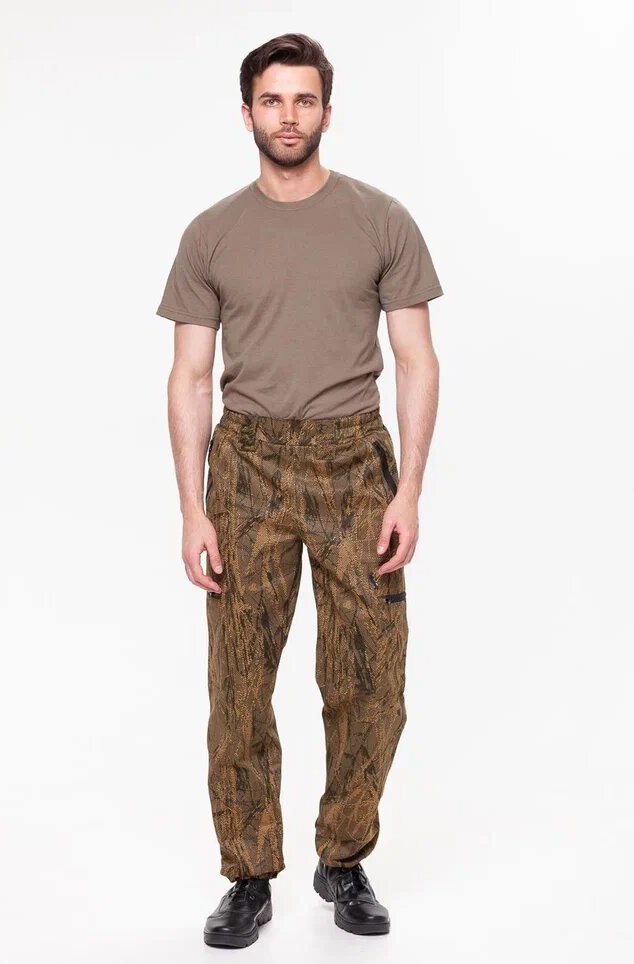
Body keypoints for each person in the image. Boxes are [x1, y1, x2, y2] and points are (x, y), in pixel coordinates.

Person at [155, 32, 444, 949]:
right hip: (246, 468)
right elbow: (189, 376)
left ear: (327, 109)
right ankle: (248, 874)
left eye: (304, 99)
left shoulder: (381, 220)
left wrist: (409, 491)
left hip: (354, 459)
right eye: (272, 100)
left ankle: (343, 856)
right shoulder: (211, 234)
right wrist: (192, 507)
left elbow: (416, 359)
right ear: (247, 112)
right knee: (239, 685)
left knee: (373, 680)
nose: (289, 116)